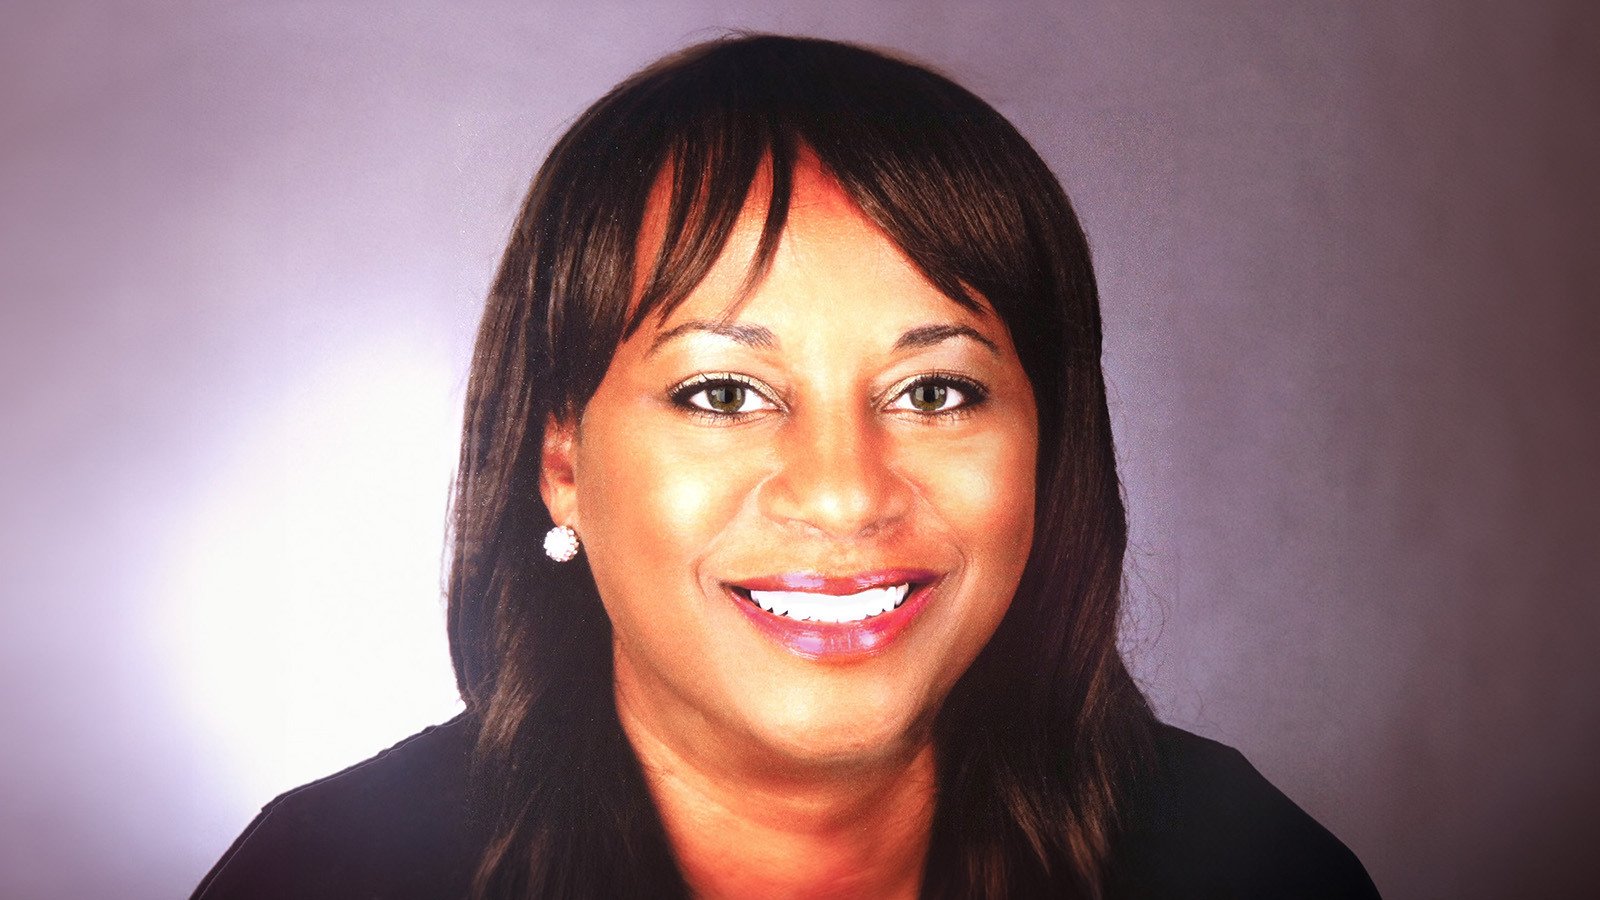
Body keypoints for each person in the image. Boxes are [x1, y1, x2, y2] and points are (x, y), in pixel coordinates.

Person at [191, 34, 1380, 900]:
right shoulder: (329, 876)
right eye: (724, 393)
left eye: (934, 391)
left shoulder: (1243, 864)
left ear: (1050, 448)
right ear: (560, 460)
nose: (844, 492)